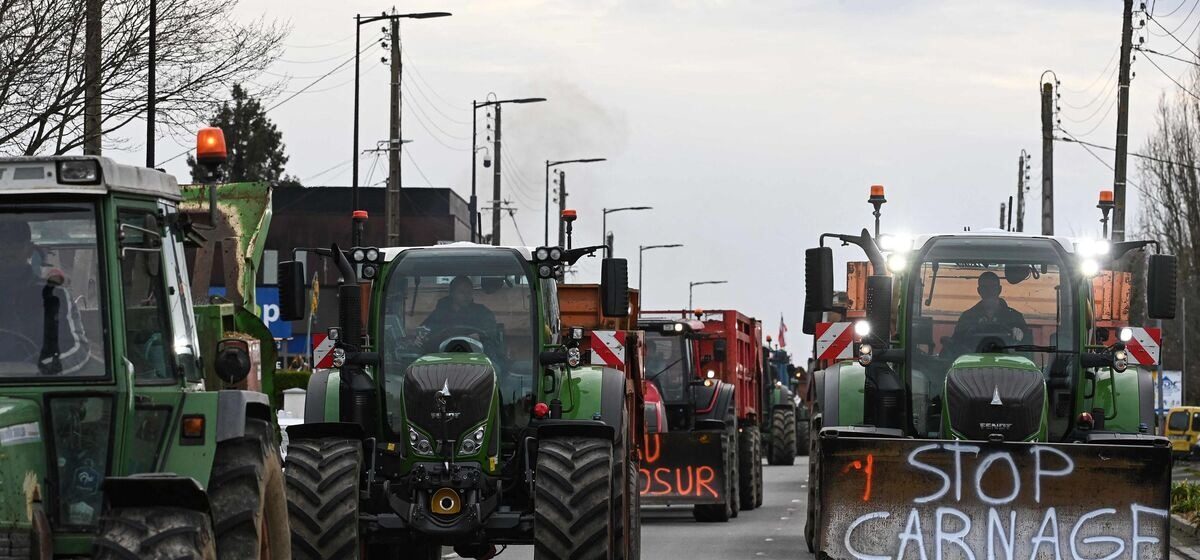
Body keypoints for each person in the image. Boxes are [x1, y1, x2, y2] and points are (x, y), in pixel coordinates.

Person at [0, 220, 89, 374]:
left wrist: (41, 373)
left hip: (41, 388)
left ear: (29, 249)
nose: (6, 251)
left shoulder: (55, 295)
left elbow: (77, 349)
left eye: (14, 244)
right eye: (1, 244)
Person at [951, 270, 1029, 349]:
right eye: (985, 288)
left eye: (993, 287)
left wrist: (1020, 334)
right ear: (979, 291)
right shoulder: (967, 318)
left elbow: (1027, 351)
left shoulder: (1016, 318)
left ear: (999, 289)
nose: (989, 291)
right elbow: (955, 347)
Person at [422, 276, 498, 335]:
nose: (466, 295)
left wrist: (480, 337)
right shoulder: (440, 313)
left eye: (469, 292)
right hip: (444, 353)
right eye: (461, 292)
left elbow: (490, 334)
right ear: (452, 293)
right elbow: (425, 330)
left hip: (475, 352)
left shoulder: (482, 313)